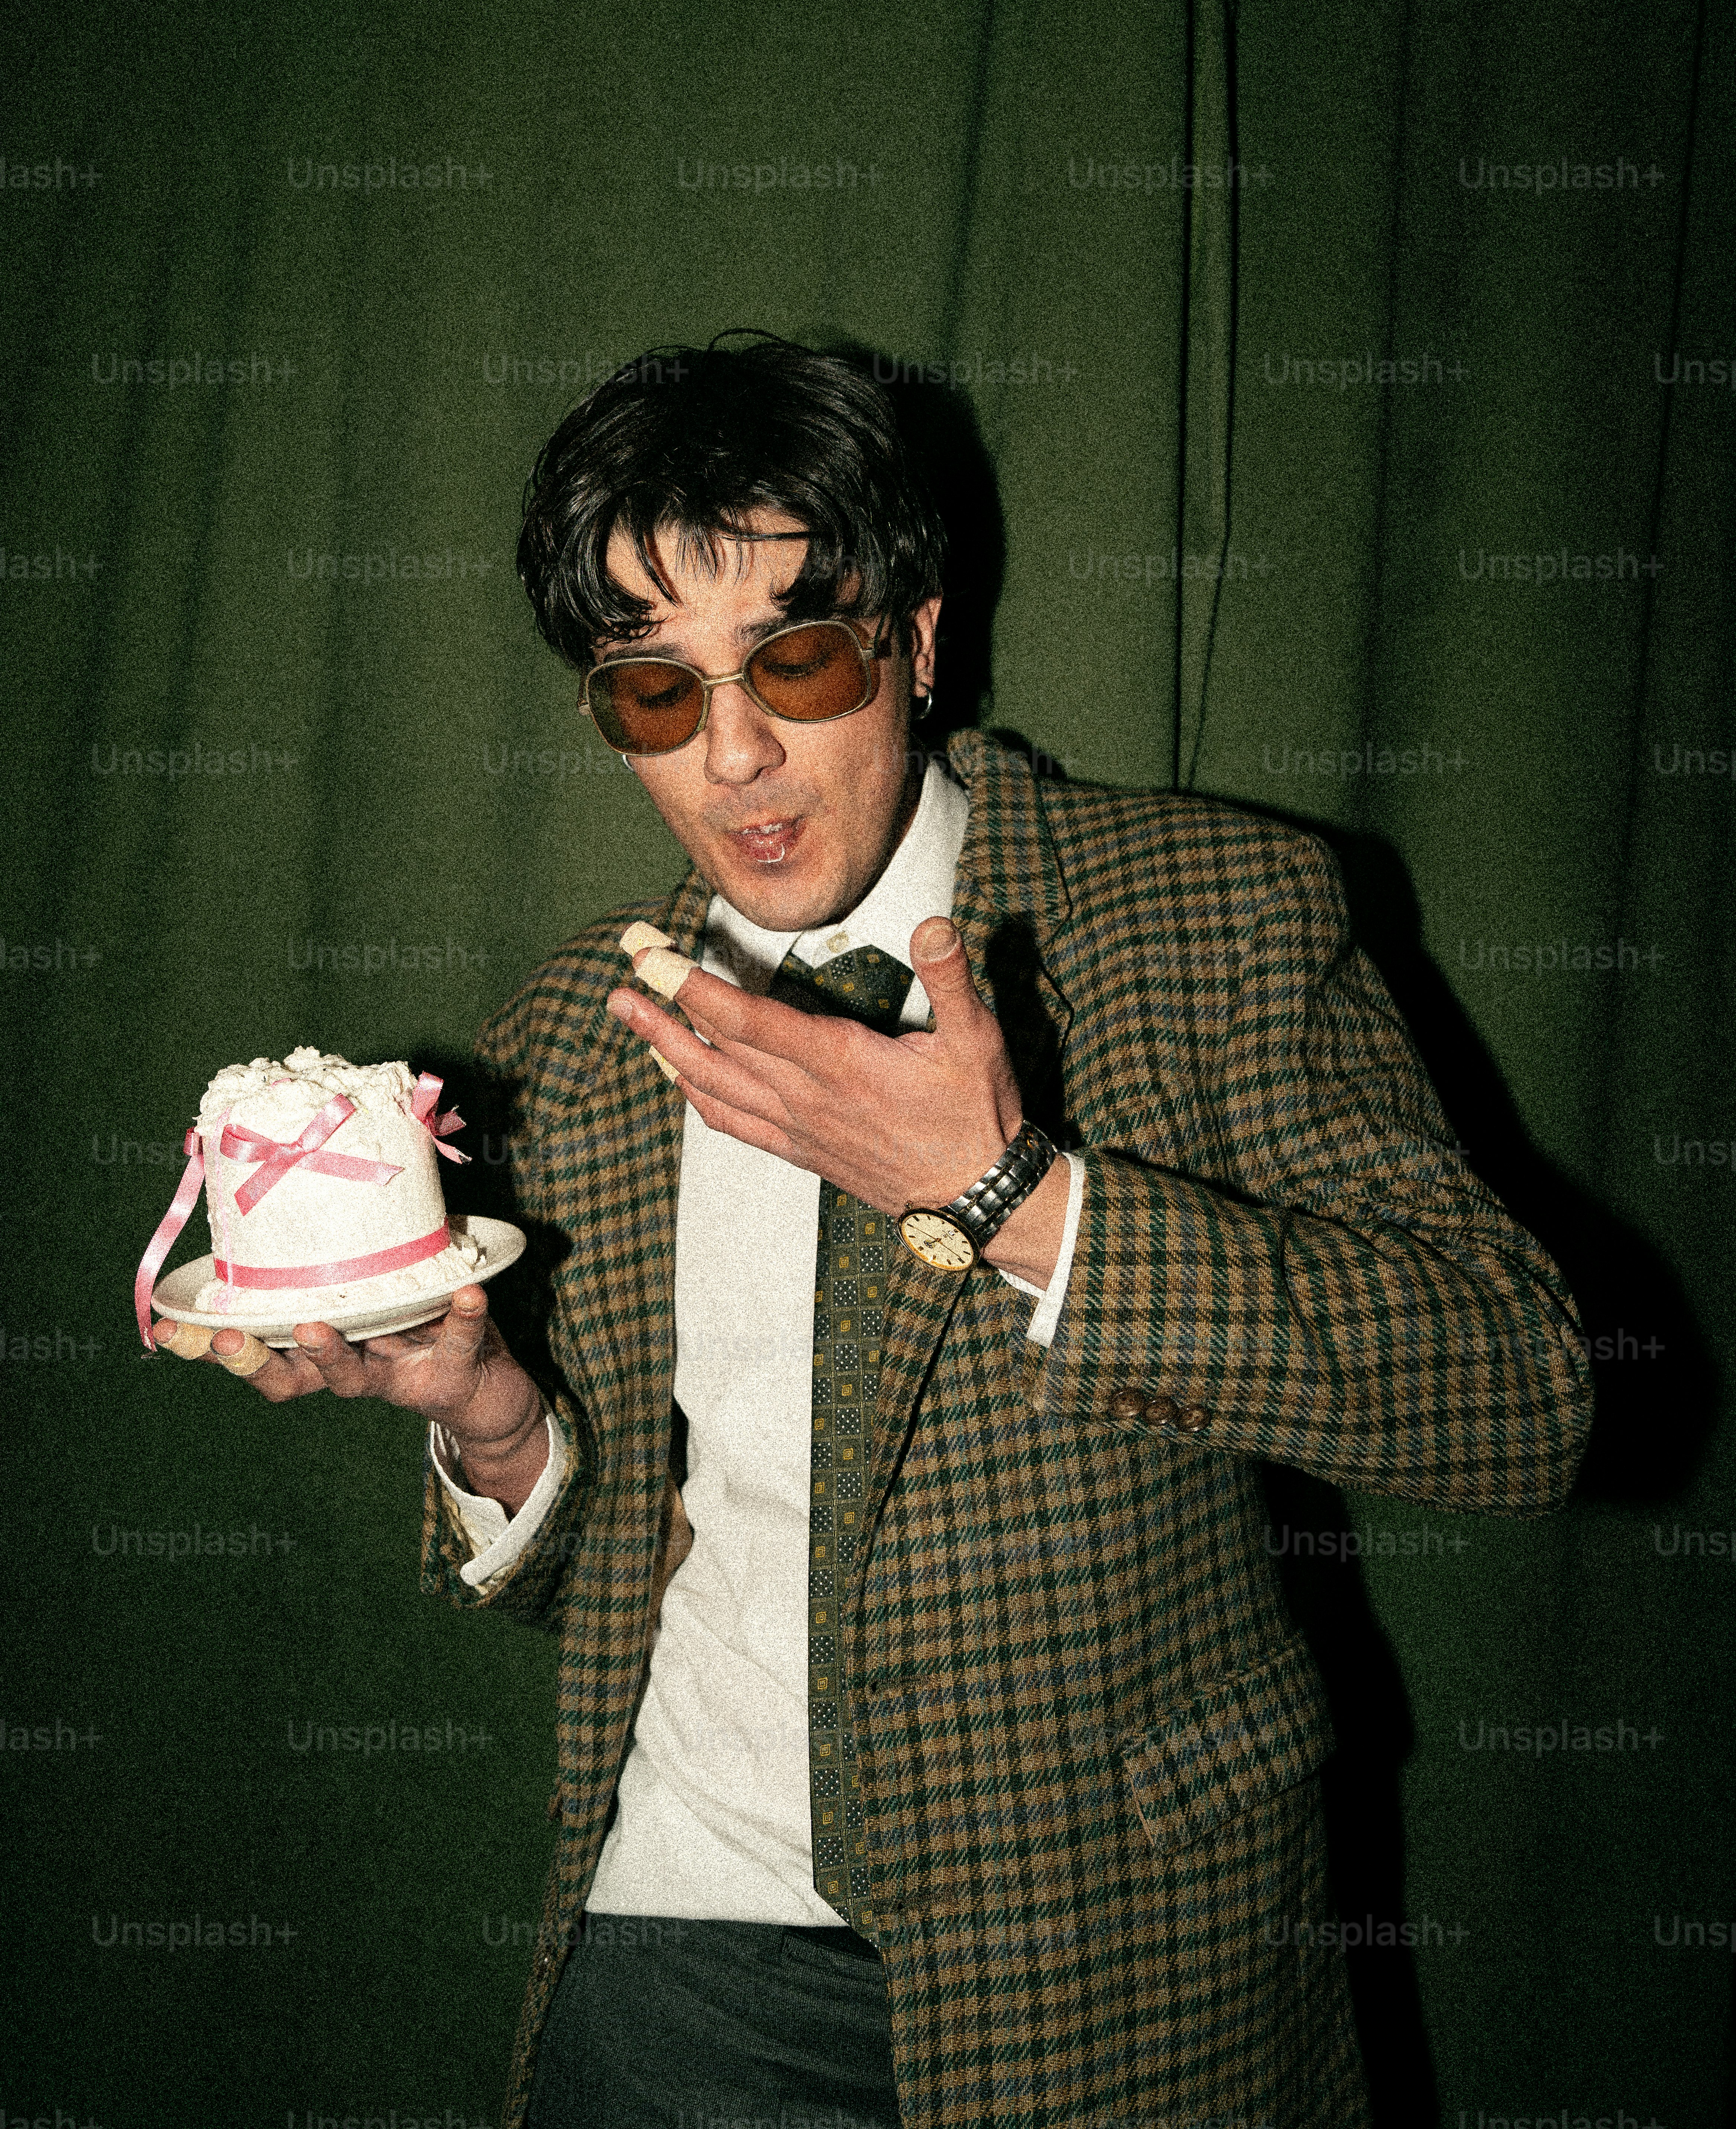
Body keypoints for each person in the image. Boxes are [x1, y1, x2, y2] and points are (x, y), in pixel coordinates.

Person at [188, 334, 1594, 2129]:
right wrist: (489, 1419)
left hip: (1113, 1968)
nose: (739, 752)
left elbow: (1519, 1395)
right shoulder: (583, 1029)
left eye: (798, 655)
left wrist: (1018, 1202)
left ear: (917, 644)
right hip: (673, 1959)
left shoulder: (1215, 912)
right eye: (655, 691)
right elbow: (602, 1572)